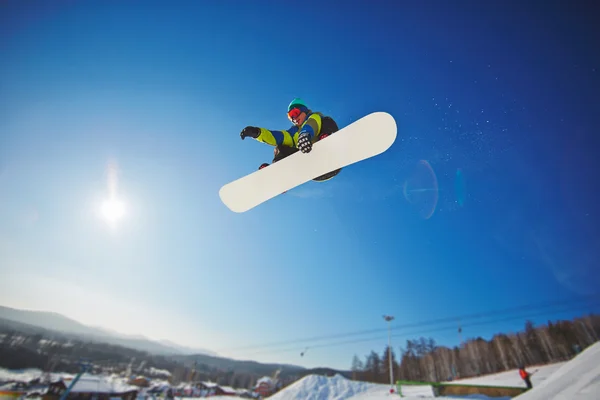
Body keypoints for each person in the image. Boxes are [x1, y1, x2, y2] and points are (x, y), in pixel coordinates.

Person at [239, 98, 342, 181]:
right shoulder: (293, 133)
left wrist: (305, 135)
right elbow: (277, 137)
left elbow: (312, 124)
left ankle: (328, 138)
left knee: (326, 120)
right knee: (280, 148)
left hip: (329, 156)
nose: (294, 118)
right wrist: (257, 133)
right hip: (313, 168)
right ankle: (279, 176)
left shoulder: (314, 117)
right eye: (290, 116)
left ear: (304, 111)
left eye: (295, 113)